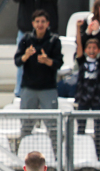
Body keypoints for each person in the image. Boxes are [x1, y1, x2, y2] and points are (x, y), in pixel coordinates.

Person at [11, 0, 60, 96]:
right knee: (23, 61)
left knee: (50, 63)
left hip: (49, 34)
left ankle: (50, 91)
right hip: (26, 32)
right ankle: (19, 93)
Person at [14, 9, 63, 137]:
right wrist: (26, 55)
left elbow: (59, 63)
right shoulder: (26, 39)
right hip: (29, 88)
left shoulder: (54, 40)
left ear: (48, 23)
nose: (40, 24)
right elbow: (17, 61)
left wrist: (47, 61)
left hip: (48, 89)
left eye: (43, 21)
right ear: (33, 23)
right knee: (26, 126)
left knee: (53, 127)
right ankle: (23, 153)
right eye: (37, 21)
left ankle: (57, 155)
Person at [74, 29, 100, 153]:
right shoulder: (82, 61)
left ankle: (98, 152)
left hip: (96, 97)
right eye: (89, 48)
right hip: (84, 97)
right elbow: (78, 45)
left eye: (95, 48)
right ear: (85, 50)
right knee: (81, 126)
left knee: (97, 127)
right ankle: (79, 151)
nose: (92, 50)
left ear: (98, 50)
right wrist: (78, 30)